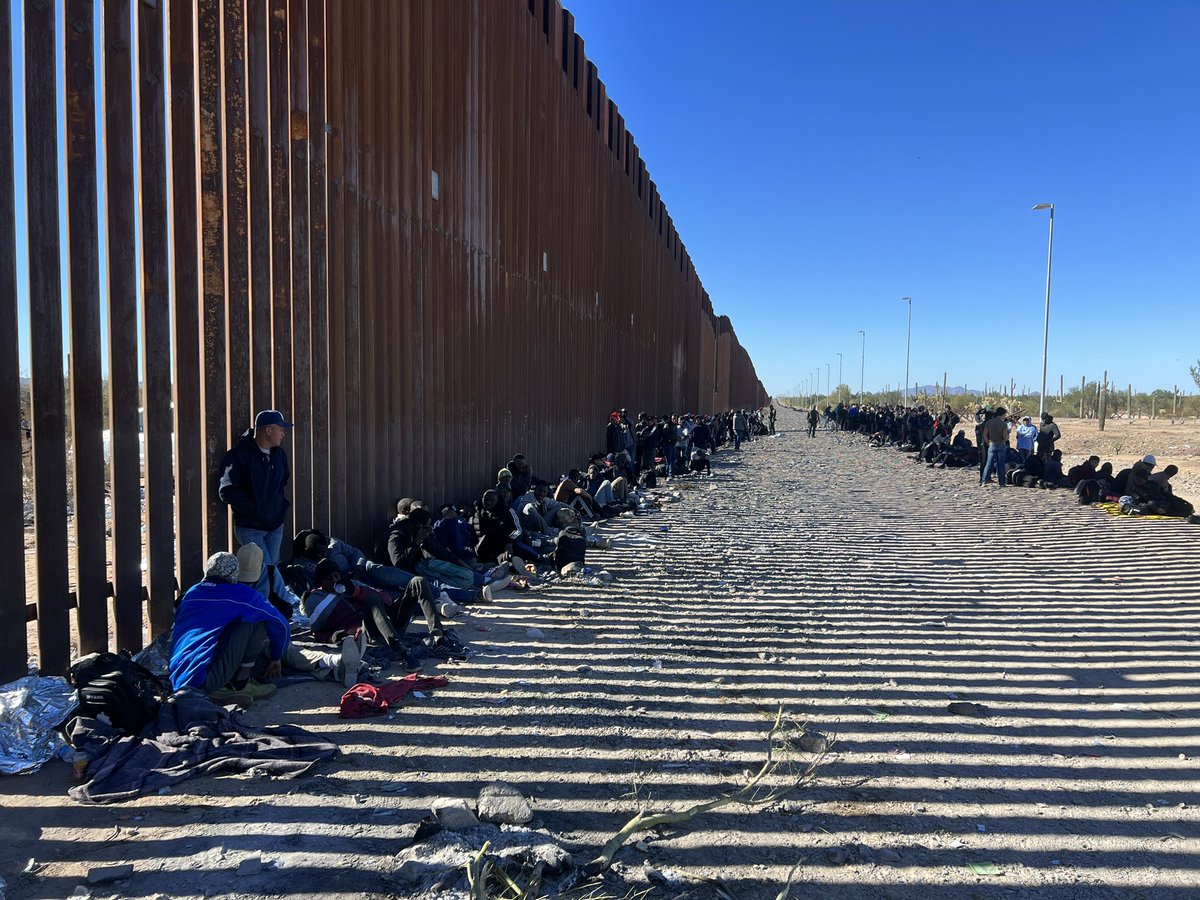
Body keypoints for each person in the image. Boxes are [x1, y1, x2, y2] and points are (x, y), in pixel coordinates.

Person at [170, 552, 362, 704]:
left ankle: (335, 665)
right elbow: (280, 624)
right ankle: (241, 683)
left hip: (178, 678)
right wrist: (276, 657)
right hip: (209, 676)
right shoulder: (245, 593)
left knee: (279, 649)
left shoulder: (191, 593)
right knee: (267, 634)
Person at [218, 409, 301, 607]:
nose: (284, 433)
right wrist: (254, 510)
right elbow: (227, 490)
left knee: (270, 569)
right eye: (281, 429)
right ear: (268, 430)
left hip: (275, 526)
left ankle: (269, 610)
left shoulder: (279, 455)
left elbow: (284, 481)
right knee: (264, 570)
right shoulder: (238, 456)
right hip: (250, 527)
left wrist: (280, 509)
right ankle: (279, 608)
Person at [980, 406, 1009, 487]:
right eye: (1004, 415)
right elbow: (1005, 436)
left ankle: (984, 481)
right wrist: (1007, 437)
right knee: (1001, 464)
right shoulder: (1003, 424)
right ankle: (1002, 483)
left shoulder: (989, 422)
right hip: (1001, 444)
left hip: (992, 444)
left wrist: (988, 442)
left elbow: (985, 434)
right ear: (1002, 415)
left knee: (989, 463)